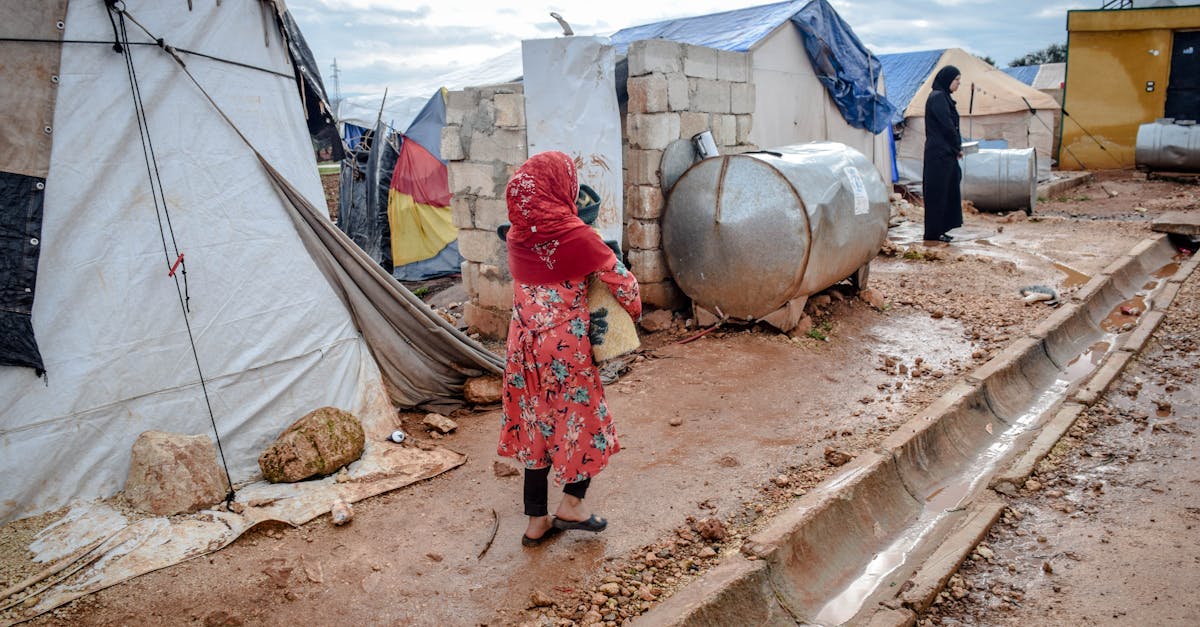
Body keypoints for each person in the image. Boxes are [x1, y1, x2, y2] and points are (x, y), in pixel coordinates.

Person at [497, 151, 642, 547]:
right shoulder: (579, 237)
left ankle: (536, 522)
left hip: (521, 348)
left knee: (535, 427)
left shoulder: (516, 235)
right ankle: (572, 505)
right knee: (581, 422)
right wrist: (631, 314)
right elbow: (624, 285)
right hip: (564, 349)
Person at [923, 65, 964, 243]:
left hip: (945, 153)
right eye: (956, 80)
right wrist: (957, 147)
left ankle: (941, 228)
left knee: (947, 191)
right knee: (938, 193)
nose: (958, 84)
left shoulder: (943, 97)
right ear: (947, 80)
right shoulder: (938, 97)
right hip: (939, 154)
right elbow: (947, 126)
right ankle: (934, 232)